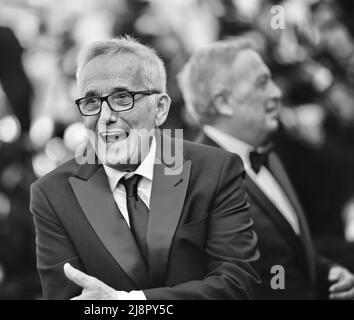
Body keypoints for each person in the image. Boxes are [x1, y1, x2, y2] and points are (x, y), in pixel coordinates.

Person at [29, 36, 260, 300]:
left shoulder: (215, 169)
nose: (105, 117)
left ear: (160, 109)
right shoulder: (52, 194)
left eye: (122, 97)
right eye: (92, 102)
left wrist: (130, 303)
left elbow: (237, 286)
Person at [178, 38, 354, 299]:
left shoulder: (268, 153)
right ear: (223, 103)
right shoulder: (198, 182)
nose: (276, 93)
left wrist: (324, 270)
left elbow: (282, 250)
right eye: (261, 83)